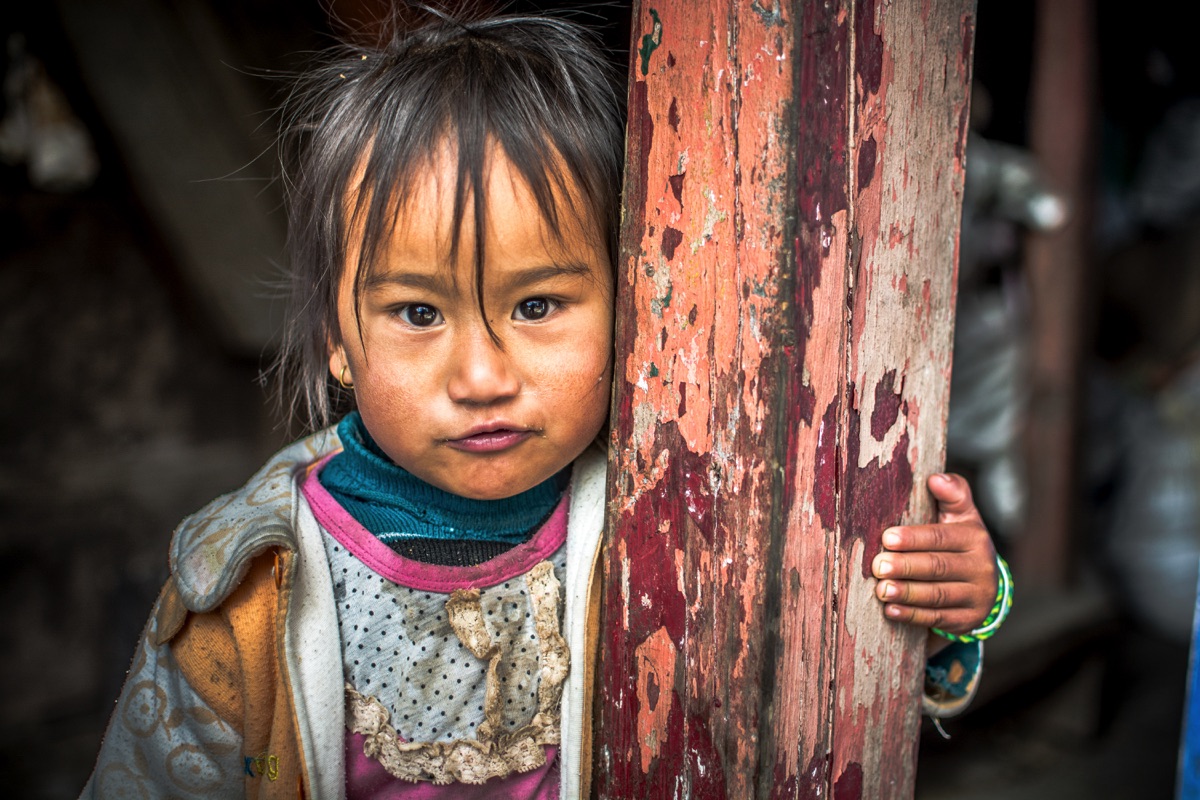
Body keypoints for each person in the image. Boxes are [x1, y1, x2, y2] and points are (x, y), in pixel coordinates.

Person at [81, 9, 1008, 799]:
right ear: (334, 335)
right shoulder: (247, 585)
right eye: (417, 313)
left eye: (536, 306)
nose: (482, 377)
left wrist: (950, 606)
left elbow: (811, 680)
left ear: (632, 302)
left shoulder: (676, 518)